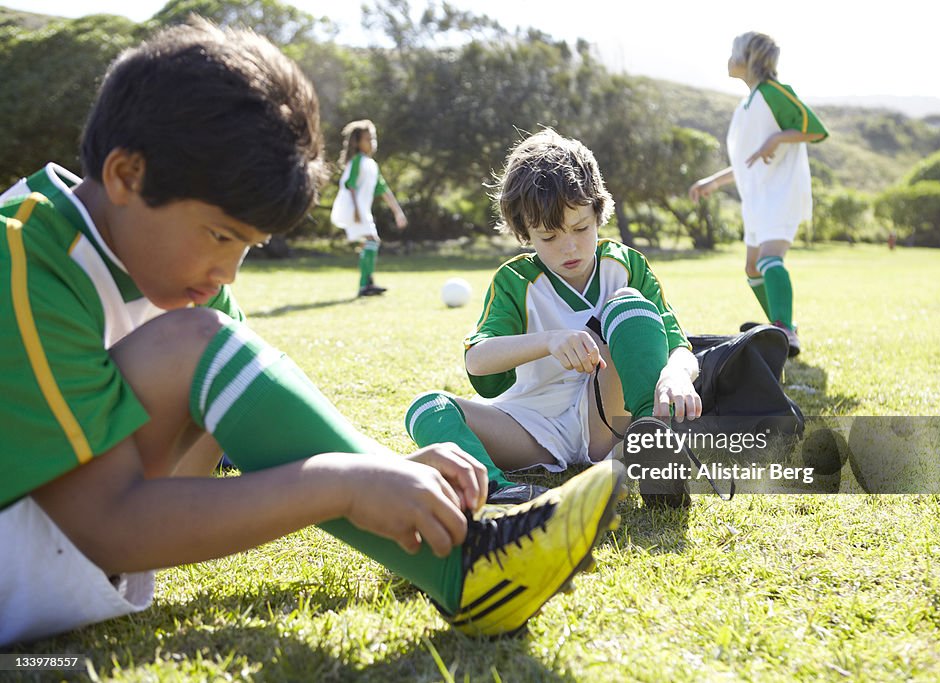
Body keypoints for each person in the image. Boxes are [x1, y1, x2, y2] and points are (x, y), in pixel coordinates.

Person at [0, 21, 625, 647]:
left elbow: (257, 437)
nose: (228, 271)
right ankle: (466, 569)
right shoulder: (23, 254)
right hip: (48, 552)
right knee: (189, 346)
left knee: (202, 350)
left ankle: (464, 553)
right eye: (221, 236)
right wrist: (345, 484)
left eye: (248, 246)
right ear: (127, 176)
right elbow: (104, 528)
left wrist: (390, 475)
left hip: (70, 552)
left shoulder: (193, 283)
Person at [405, 130, 701, 509]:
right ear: (524, 232)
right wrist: (550, 340)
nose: (570, 247)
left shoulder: (626, 265)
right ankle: (495, 490)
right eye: (548, 236)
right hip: (531, 425)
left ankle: (652, 445)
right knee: (427, 408)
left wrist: (674, 376)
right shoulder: (515, 281)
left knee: (626, 303)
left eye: (581, 228)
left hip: (607, 421)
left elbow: (679, 346)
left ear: (598, 212)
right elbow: (478, 362)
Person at [689, 31, 828, 357]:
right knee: (753, 268)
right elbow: (746, 163)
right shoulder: (747, 104)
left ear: (748, 59)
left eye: (733, 52)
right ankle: (783, 330)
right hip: (759, 198)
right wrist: (713, 181)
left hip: (781, 194)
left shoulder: (773, 92)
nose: (728, 59)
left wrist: (778, 139)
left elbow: (816, 129)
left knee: (769, 259)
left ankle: (782, 328)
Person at [330, 119, 408, 297]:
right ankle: (365, 284)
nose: (372, 142)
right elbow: (350, 185)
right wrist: (356, 211)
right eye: (367, 139)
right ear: (357, 142)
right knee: (372, 240)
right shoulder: (357, 161)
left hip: (362, 210)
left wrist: (398, 212)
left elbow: (384, 189)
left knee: (370, 242)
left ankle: (367, 283)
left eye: (373, 138)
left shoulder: (372, 164)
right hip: (353, 209)